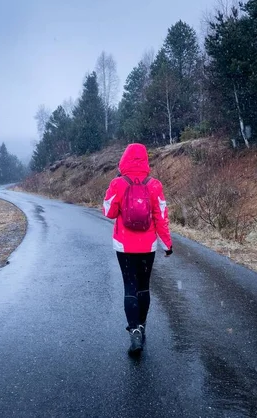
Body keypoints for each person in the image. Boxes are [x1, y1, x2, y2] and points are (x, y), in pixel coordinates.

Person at [102, 143, 172, 355]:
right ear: (145, 161)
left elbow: (109, 212)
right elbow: (161, 216)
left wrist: (116, 189)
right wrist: (166, 243)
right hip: (148, 245)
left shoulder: (118, 183)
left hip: (124, 244)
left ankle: (134, 331)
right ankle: (141, 326)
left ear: (124, 160)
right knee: (144, 287)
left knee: (129, 287)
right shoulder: (154, 185)